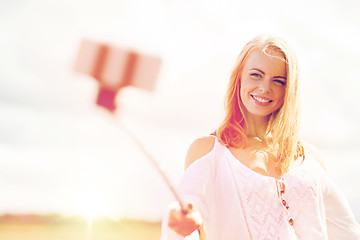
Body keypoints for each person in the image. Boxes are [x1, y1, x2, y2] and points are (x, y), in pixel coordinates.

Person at [160, 35, 360, 240]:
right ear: (239, 78)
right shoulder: (208, 152)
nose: (265, 88)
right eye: (256, 75)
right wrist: (180, 219)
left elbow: (347, 230)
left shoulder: (308, 157)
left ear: (288, 90)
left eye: (279, 81)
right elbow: (189, 201)